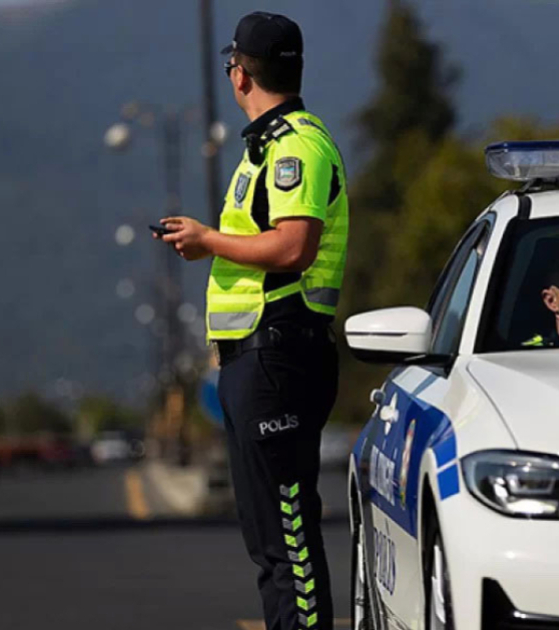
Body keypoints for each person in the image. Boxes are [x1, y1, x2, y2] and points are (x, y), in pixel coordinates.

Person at [153, 12, 347, 630]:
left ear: (239, 74)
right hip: (254, 360)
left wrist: (209, 240)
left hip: (279, 357)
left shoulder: (296, 147)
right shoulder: (268, 146)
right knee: (269, 546)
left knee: (289, 539)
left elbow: (293, 247)